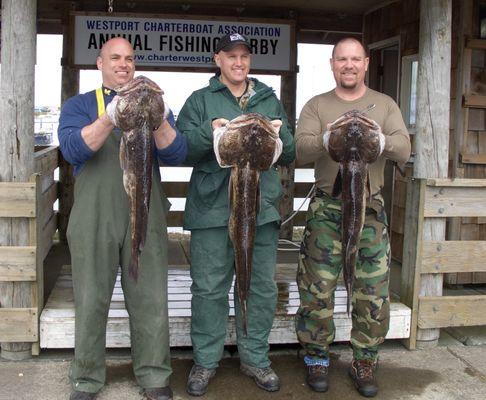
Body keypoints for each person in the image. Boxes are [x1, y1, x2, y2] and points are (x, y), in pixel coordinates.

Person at [58, 37, 187, 400]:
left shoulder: (157, 104)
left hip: (145, 212)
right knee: (90, 298)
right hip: (93, 216)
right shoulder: (79, 106)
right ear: (99, 63)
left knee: (150, 298)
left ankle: (154, 375)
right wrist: (111, 115)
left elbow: (177, 154)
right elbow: (72, 150)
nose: (123, 64)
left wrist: (156, 117)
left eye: (129, 58)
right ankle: (86, 379)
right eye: (115, 58)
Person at [176, 33, 295, 396]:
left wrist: (277, 136)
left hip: (260, 212)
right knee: (209, 288)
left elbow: (288, 152)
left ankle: (256, 358)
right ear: (218, 60)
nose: (239, 62)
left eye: (244, 56)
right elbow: (181, 149)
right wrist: (208, 133)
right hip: (212, 210)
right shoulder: (200, 100)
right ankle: (206, 361)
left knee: (260, 288)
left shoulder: (268, 99)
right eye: (231, 56)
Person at [294, 37, 411, 398]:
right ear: (332, 64)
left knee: (373, 290)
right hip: (327, 210)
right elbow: (299, 150)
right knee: (317, 288)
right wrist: (329, 138)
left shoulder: (385, 104)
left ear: (365, 63)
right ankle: (316, 355)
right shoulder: (318, 105)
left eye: (355, 59)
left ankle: (365, 358)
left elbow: (404, 149)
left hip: (370, 209)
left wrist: (379, 139)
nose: (348, 65)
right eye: (341, 59)